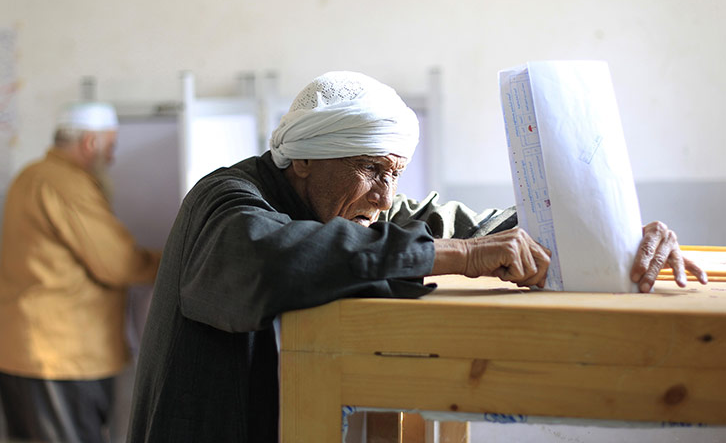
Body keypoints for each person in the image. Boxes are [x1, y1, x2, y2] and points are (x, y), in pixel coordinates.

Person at [127, 71, 707, 442]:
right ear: (303, 159)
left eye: (394, 176)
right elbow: (267, 259)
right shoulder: (225, 198)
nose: (384, 198)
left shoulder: (356, 206)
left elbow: (491, 233)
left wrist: (624, 240)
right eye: (371, 170)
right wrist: (462, 256)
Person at [0, 102, 162, 443]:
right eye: (111, 146)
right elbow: (117, 263)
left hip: (31, 350)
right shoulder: (66, 184)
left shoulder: (31, 175)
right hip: (60, 356)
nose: (113, 157)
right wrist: (174, 262)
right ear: (90, 144)